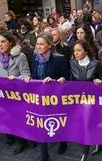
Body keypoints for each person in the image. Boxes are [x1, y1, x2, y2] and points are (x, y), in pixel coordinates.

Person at [0, 31, 31, 155]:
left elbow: (26, 75)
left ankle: (22, 142)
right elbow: (0, 73)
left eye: (3, 42)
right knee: (9, 118)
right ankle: (16, 139)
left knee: (18, 119)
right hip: (4, 94)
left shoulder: (20, 56)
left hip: (18, 94)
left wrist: (15, 78)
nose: (0, 45)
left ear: (10, 42)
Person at [31, 33, 69, 161]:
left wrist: (54, 80)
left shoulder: (59, 59)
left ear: (49, 45)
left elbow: (66, 78)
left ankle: (62, 142)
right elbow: (34, 76)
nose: (39, 46)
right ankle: (44, 155)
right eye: (37, 44)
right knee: (41, 123)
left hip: (55, 98)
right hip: (40, 98)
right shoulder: (35, 58)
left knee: (57, 121)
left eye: (42, 44)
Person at [69, 40, 102, 161]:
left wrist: (100, 82)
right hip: (78, 101)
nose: (76, 53)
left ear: (86, 51)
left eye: (79, 50)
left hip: (93, 103)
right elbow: (70, 81)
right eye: (74, 50)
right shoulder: (72, 63)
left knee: (88, 126)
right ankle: (93, 145)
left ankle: (85, 153)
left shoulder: (96, 64)